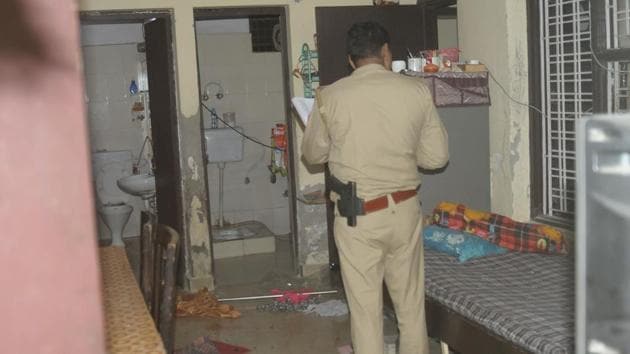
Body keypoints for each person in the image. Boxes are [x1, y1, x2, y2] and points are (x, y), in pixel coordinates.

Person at [301, 21, 449, 354]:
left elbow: (312, 155)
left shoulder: (330, 96)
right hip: (405, 212)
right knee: (410, 308)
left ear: (350, 61)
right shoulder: (416, 91)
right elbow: (437, 158)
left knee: (365, 312)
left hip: (358, 217)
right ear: (385, 53)